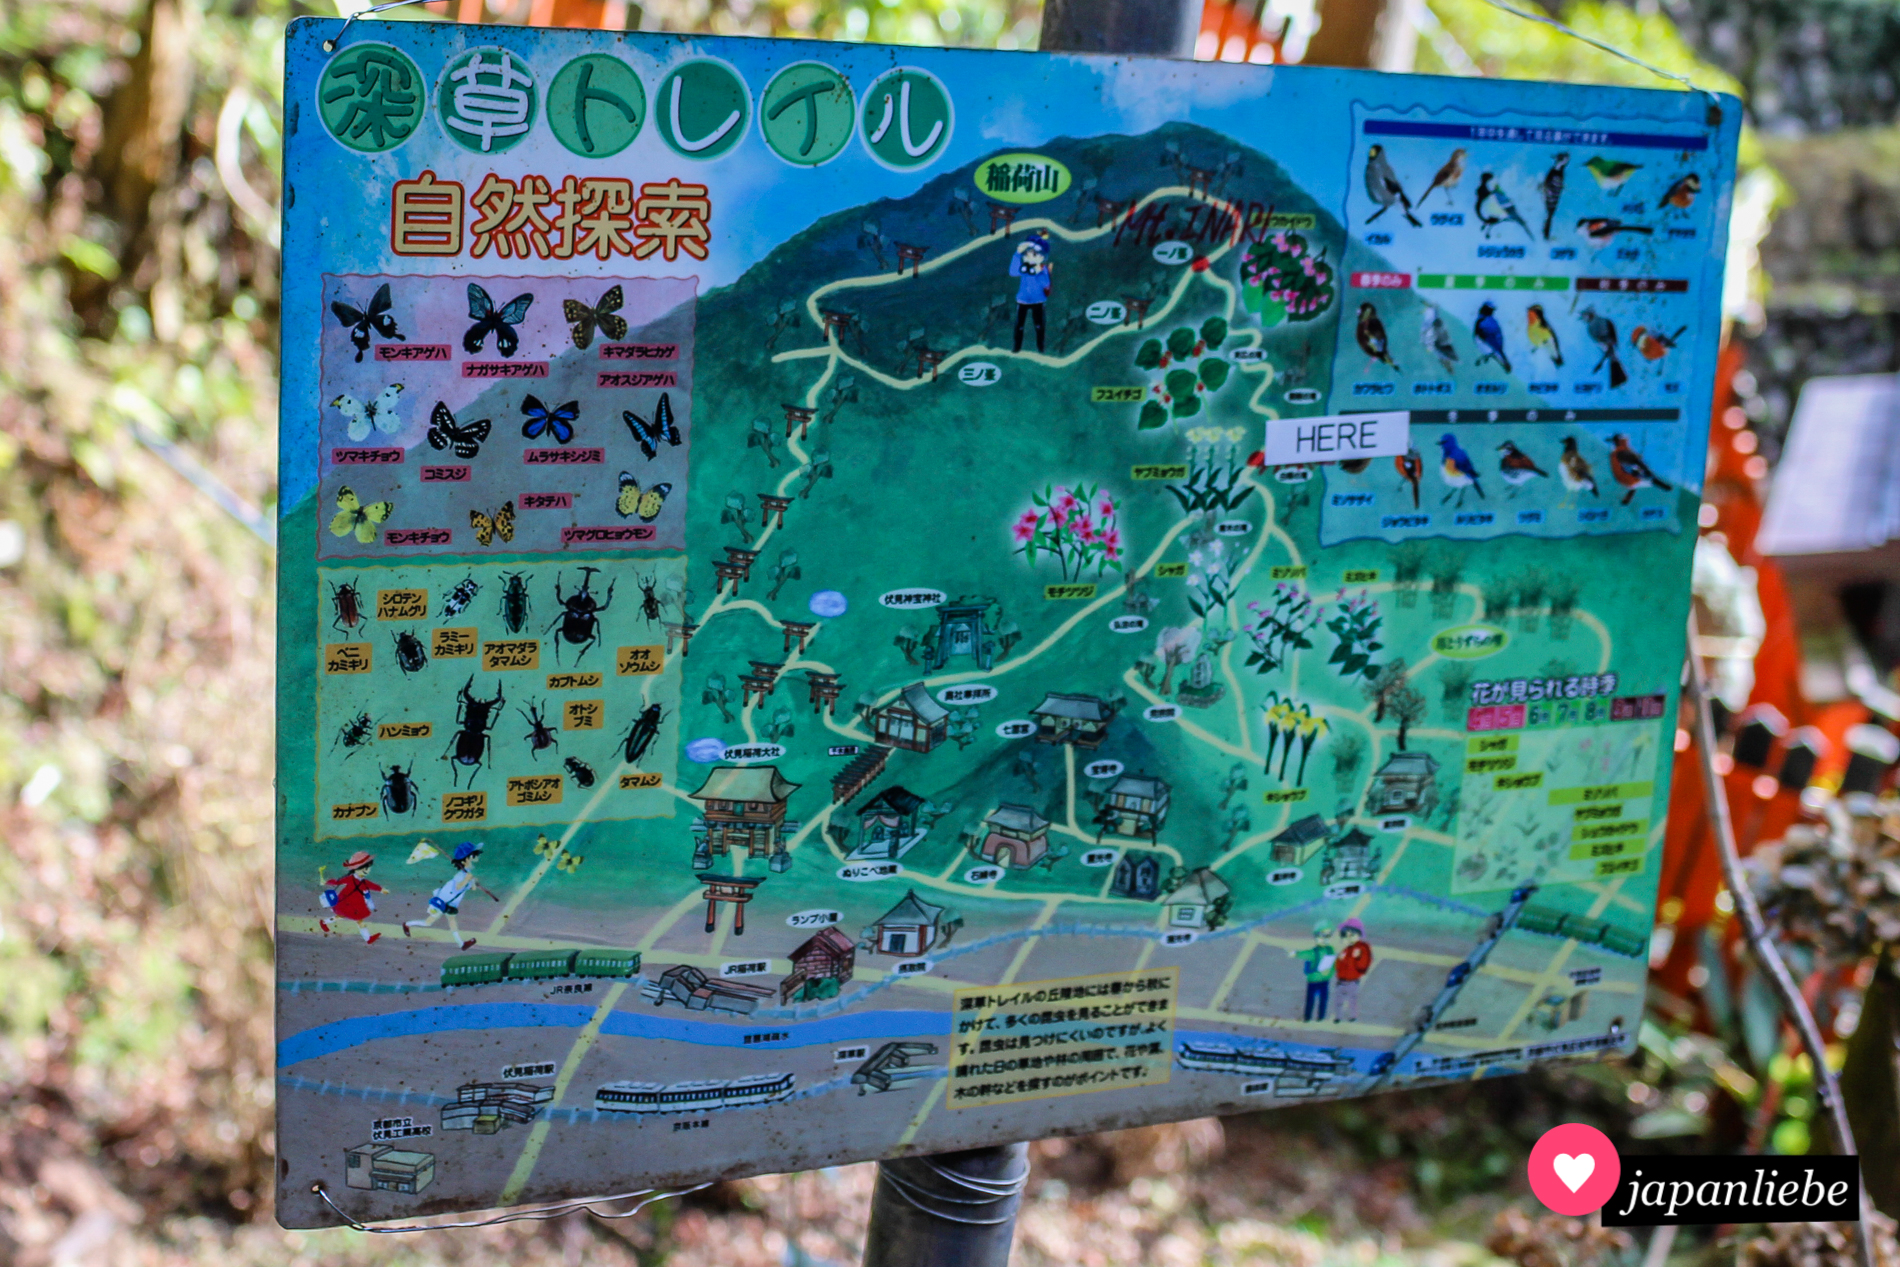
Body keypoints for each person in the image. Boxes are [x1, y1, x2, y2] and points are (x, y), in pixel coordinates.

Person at [403, 841, 496, 950]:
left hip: (452, 903)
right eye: (474, 855)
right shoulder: (461, 874)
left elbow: (472, 888)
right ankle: (407, 924)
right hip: (443, 901)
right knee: (428, 923)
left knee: (452, 922)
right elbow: (457, 888)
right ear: (467, 858)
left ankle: (461, 944)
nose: (477, 857)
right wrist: (467, 879)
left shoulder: (467, 872)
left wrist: (473, 882)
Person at [320, 850, 383, 944]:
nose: (367, 870)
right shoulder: (351, 879)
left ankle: (324, 922)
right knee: (359, 921)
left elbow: (370, 885)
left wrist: (381, 889)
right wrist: (325, 881)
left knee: (341, 916)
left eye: (368, 868)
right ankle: (368, 939)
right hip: (348, 904)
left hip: (350, 903)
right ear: (356, 869)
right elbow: (338, 882)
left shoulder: (360, 880)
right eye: (364, 868)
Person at [1009, 231, 1054, 354]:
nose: (1029, 255)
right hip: (1022, 299)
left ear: (1041, 257)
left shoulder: (1042, 269)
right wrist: (1017, 255)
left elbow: (1046, 283)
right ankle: (1016, 347)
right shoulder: (1024, 268)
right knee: (1019, 326)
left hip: (1038, 301)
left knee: (1039, 326)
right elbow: (1013, 272)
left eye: (1033, 254)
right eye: (1027, 253)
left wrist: (1038, 271)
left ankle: (1041, 347)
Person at [1333, 917, 1373, 1022]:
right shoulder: (1346, 950)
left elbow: (1363, 966)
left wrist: (1358, 957)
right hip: (1341, 981)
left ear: (1359, 934)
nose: (1349, 938)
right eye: (1346, 936)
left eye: (1352, 935)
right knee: (1339, 1001)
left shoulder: (1363, 948)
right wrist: (1340, 960)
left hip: (1352, 981)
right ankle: (1338, 1017)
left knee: (1352, 1000)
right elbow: (1337, 968)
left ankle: (1352, 1016)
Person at [1297, 921, 1336, 1022]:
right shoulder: (1314, 952)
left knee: (1323, 1000)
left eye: (1327, 936)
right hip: (1313, 981)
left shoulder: (1330, 950)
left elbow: (1333, 964)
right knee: (1310, 1000)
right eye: (1321, 936)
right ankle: (1307, 1017)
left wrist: (1329, 973)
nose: (1324, 939)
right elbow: (1304, 954)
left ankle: (1320, 1017)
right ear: (1316, 937)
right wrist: (1295, 954)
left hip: (1324, 980)